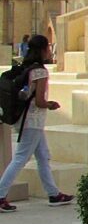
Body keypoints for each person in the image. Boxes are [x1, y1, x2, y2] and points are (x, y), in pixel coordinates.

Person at [0, 35, 75, 212]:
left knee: (43, 156)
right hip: (32, 120)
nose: (49, 50)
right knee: (20, 158)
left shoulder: (26, 68)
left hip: (28, 120)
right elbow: (40, 101)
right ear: (42, 50)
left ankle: (53, 194)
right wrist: (51, 104)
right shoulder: (40, 72)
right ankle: (1, 194)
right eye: (48, 47)